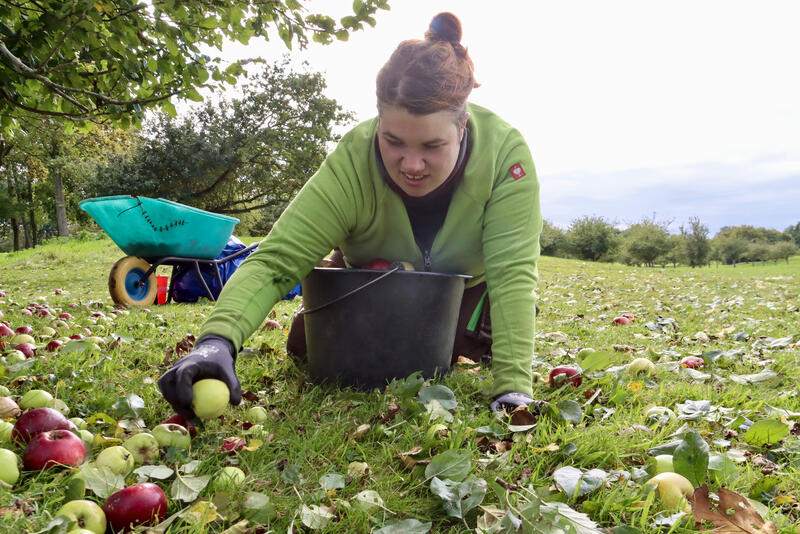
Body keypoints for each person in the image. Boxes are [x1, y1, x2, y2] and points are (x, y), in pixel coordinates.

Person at [158, 12, 543, 417]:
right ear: (378, 122)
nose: (411, 165)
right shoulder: (353, 158)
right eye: (393, 141)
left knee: (435, 360)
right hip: (370, 283)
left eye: (432, 146)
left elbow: (512, 274)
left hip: (465, 293)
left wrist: (513, 390)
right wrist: (216, 342)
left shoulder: (504, 155)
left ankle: (479, 338)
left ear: (462, 126)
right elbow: (277, 260)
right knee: (309, 348)